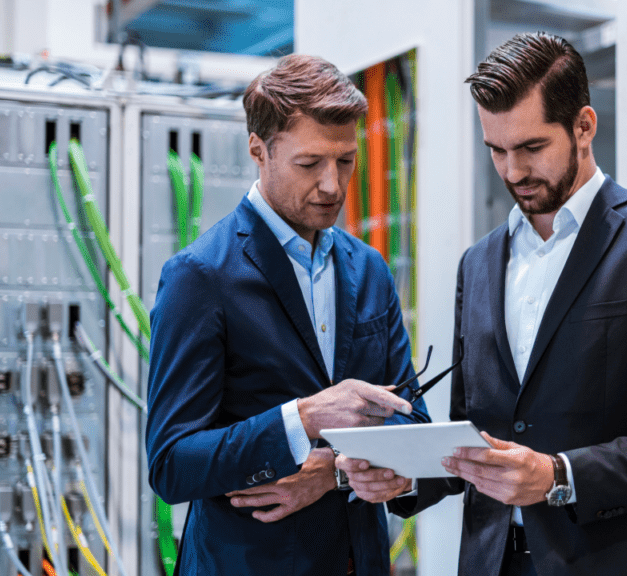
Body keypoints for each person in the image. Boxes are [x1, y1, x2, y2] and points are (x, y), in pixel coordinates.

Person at [337, 32, 627, 576]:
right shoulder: (478, 264)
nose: (512, 172)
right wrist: (405, 476)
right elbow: (474, 432)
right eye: (496, 150)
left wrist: (561, 475)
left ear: (583, 126)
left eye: (531, 149)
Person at [145, 54, 430, 576]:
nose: (331, 185)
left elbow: (414, 424)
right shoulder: (200, 278)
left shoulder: (368, 269)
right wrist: (302, 419)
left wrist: (335, 475)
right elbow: (172, 463)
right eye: (309, 164)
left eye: (345, 161)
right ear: (259, 150)